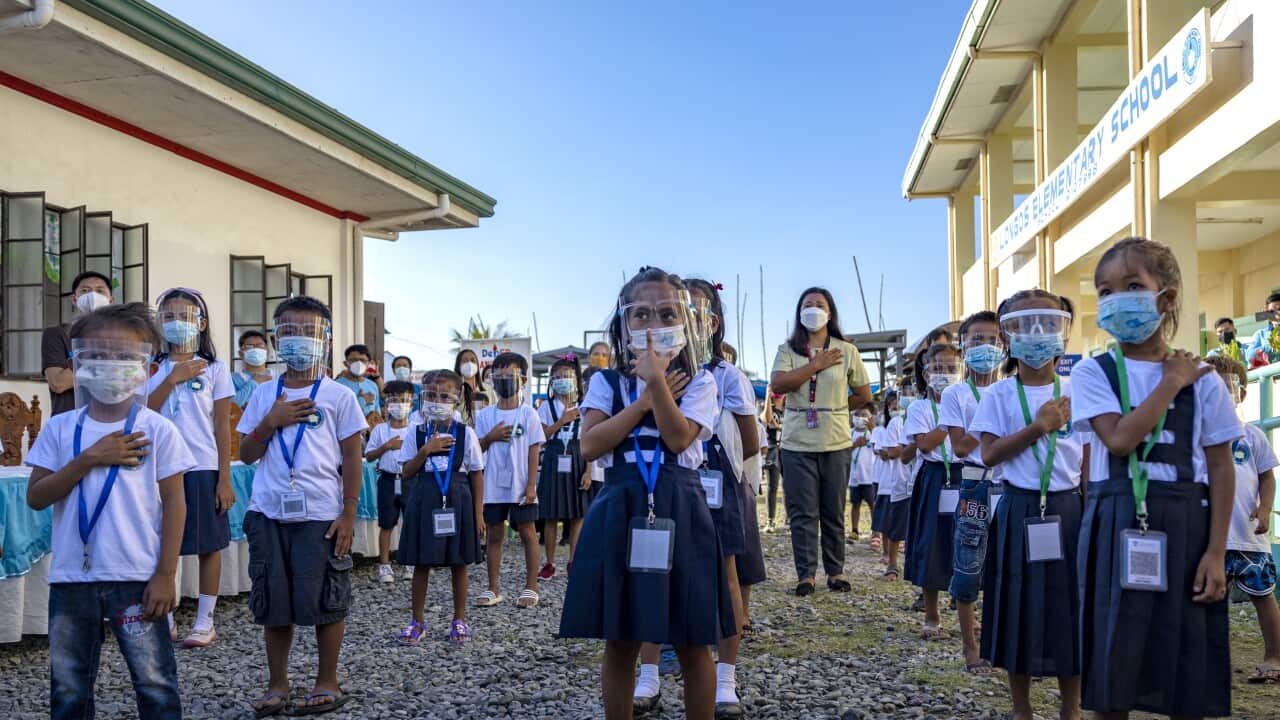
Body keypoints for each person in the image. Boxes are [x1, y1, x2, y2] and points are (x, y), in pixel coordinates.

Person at [1072, 236, 1238, 719]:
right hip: (1116, 515)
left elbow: (1222, 465)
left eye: (1131, 285)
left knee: (1187, 658)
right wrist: (1170, 383)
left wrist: (1215, 552)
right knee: (1113, 657)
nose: (1116, 298)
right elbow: (1118, 440)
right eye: (1105, 291)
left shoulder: (1204, 378)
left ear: (1164, 298)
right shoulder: (1092, 373)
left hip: (1188, 519)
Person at [559, 267, 735, 720]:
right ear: (622, 323)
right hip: (620, 501)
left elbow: (679, 439)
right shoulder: (606, 382)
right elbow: (592, 444)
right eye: (640, 314)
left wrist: (657, 382)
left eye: (666, 313)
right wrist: (642, 402)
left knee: (694, 637)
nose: (653, 324)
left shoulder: (702, 381)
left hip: (680, 500)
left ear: (688, 323)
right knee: (620, 638)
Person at [26, 302, 194, 720]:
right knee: (68, 687)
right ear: (77, 362)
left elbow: (175, 502)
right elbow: (36, 496)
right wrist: (88, 458)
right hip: (71, 579)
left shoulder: (157, 429)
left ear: (147, 367)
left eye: (125, 356)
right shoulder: (61, 429)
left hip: (136, 577)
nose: (111, 365)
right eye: (98, 355)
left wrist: (165, 574)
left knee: (154, 683)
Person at [631, 277, 761, 718]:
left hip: (718, 482)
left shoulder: (725, 375)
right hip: (665, 483)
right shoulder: (647, 369)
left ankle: (726, 677)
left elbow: (750, 440)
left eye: (694, 310)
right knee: (655, 571)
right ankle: (648, 673)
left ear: (711, 320)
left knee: (726, 573)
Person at [236, 296, 367, 717]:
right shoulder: (262, 394)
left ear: (325, 340)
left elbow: (351, 457)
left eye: (308, 332)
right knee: (273, 600)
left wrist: (348, 512)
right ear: (276, 339)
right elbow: (247, 452)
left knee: (327, 597)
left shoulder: (339, 396)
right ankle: (278, 684)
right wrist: (271, 421)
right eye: (288, 331)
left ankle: (327, 679)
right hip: (268, 511)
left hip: (322, 515)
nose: (298, 339)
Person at [970, 289, 1086, 720]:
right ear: (1007, 336)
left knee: (1068, 608)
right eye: (1024, 324)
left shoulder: (1077, 390)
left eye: (1048, 323)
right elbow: (988, 454)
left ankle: (1070, 708)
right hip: (1019, 508)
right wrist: (1038, 428)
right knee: (1016, 605)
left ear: (1063, 333)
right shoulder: (1000, 395)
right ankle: (1022, 708)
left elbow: (1088, 458)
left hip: (1069, 509)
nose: (1037, 335)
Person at [145, 287, 234, 648]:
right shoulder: (150, 368)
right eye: (168, 316)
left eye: (185, 316)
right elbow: (142, 412)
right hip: (158, 468)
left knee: (207, 545)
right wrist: (171, 378)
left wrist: (224, 478)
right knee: (159, 542)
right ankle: (164, 617)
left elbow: (222, 426)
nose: (177, 323)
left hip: (201, 466)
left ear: (201, 322)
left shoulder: (214, 368)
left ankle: (204, 620)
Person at [769, 287, 872, 596]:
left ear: (830, 312)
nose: (813, 308)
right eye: (807, 304)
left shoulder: (846, 350)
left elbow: (864, 395)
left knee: (832, 510)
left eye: (819, 304)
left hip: (836, 442)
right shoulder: (788, 350)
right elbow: (778, 384)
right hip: (796, 443)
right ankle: (806, 575)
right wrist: (814, 365)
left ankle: (836, 572)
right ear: (799, 312)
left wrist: (837, 408)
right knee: (802, 512)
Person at [1204, 354, 1280, 682]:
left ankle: (1275, 656)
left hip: (1248, 536)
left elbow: (1267, 477)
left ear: (1240, 394)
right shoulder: (1196, 437)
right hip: (1209, 539)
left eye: (1225, 389)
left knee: (1264, 598)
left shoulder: (1252, 436)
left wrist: (1264, 510)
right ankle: (1207, 663)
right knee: (1206, 602)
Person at [396, 369, 485, 645]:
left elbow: (476, 473)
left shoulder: (465, 433)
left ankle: (459, 620)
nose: (437, 400)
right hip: (424, 497)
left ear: (456, 399)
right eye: (431, 395)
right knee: (422, 562)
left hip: (458, 498)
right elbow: (406, 472)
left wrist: (479, 513)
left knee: (459, 562)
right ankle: (417, 620)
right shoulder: (416, 431)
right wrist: (426, 450)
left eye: (444, 396)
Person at [936, 310, 1003, 673]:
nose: (984, 348)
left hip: (1009, 483)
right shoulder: (956, 393)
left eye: (992, 340)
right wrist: (992, 416)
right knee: (968, 565)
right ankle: (970, 647)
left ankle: (1000, 644)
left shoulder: (1013, 388)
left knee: (1004, 567)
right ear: (964, 346)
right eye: (976, 340)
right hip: (975, 483)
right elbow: (960, 447)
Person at [474, 352, 545, 609]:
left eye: (509, 375)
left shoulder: (529, 414)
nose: (503, 380)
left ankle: (531, 587)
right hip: (493, 486)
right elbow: (476, 450)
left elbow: (534, 450)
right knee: (494, 535)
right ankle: (493, 588)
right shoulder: (484, 416)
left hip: (520, 486)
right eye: (498, 375)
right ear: (491, 379)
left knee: (527, 533)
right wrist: (490, 437)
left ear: (522, 379)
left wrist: (530, 486)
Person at [903, 341, 962, 640]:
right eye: (938, 368)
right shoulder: (920, 407)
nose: (945, 374)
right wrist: (953, 421)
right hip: (934, 477)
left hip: (965, 476)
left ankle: (969, 613)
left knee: (967, 544)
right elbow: (924, 444)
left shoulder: (970, 399)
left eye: (951, 368)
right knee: (932, 544)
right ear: (926, 374)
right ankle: (931, 614)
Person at [536, 357, 588, 579]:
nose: (560, 381)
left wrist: (588, 470)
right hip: (553, 455)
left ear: (575, 379)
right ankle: (549, 562)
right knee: (550, 514)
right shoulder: (545, 407)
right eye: (555, 377)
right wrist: (562, 421)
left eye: (565, 376)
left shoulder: (585, 406)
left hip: (577, 455)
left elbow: (589, 438)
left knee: (577, 513)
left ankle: (573, 560)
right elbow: (541, 436)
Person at [41, 270, 114, 417]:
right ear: (74, 299)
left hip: (111, 420)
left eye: (100, 291)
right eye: (85, 291)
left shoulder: (119, 336)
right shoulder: (56, 334)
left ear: (110, 300)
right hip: (68, 421)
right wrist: (104, 361)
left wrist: (80, 368)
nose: (92, 295)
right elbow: (59, 383)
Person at [364, 381, 416, 584]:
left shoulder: (415, 429)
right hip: (387, 479)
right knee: (386, 523)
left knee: (410, 522)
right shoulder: (379, 430)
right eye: (393, 400)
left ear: (411, 404)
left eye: (404, 400)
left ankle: (410, 562)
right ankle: (384, 565)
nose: (399, 405)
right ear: (385, 404)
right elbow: (369, 456)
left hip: (410, 480)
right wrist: (387, 446)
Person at [847, 406, 877, 544]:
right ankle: (854, 530)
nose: (860, 417)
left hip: (870, 477)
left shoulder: (873, 434)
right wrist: (855, 444)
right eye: (857, 414)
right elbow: (844, 450)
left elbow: (879, 447)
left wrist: (873, 429)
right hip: (854, 477)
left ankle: (876, 531)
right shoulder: (849, 432)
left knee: (873, 504)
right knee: (855, 504)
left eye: (864, 414)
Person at [581, 365, 607, 506]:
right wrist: (588, 472)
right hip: (592, 472)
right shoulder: (586, 407)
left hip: (604, 472)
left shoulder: (606, 404)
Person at [760, 389, 784, 532]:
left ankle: (788, 520)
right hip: (772, 449)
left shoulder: (789, 409)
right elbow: (766, 419)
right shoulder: (771, 408)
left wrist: (779, 426)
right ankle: (771, 520)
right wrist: (768, 397)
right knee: (772, 486)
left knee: (788, 486)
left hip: (786, 448)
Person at [233, 330, 275, 410]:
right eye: (249, 346)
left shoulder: (277, 377)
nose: (256, 349)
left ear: (268, 351)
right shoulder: (232, 379)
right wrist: (254, 383)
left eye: (260, 345)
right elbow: (229, 406)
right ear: (241, 354)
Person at [335, 344, 380, 417]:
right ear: (346, 363)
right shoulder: (337, 385)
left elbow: (377, 413)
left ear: (368, 363)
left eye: (362, 360)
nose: (359, 363)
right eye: (353, 360)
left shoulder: (373, 386)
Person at [454, 349, 492, 425]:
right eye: (465, 361)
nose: (469, 363)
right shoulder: (454, 390)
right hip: (464, 434)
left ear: (477, 365)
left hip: (488, 434)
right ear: (458, 365)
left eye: (472, 360)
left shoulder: (488, 389)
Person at [1244, 291, 1280, 368]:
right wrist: (1269, 347)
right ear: (1266, 312)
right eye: (1272, 311)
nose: (1277, 313)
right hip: (1271, 375)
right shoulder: (1261, 334)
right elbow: (1249, 356)